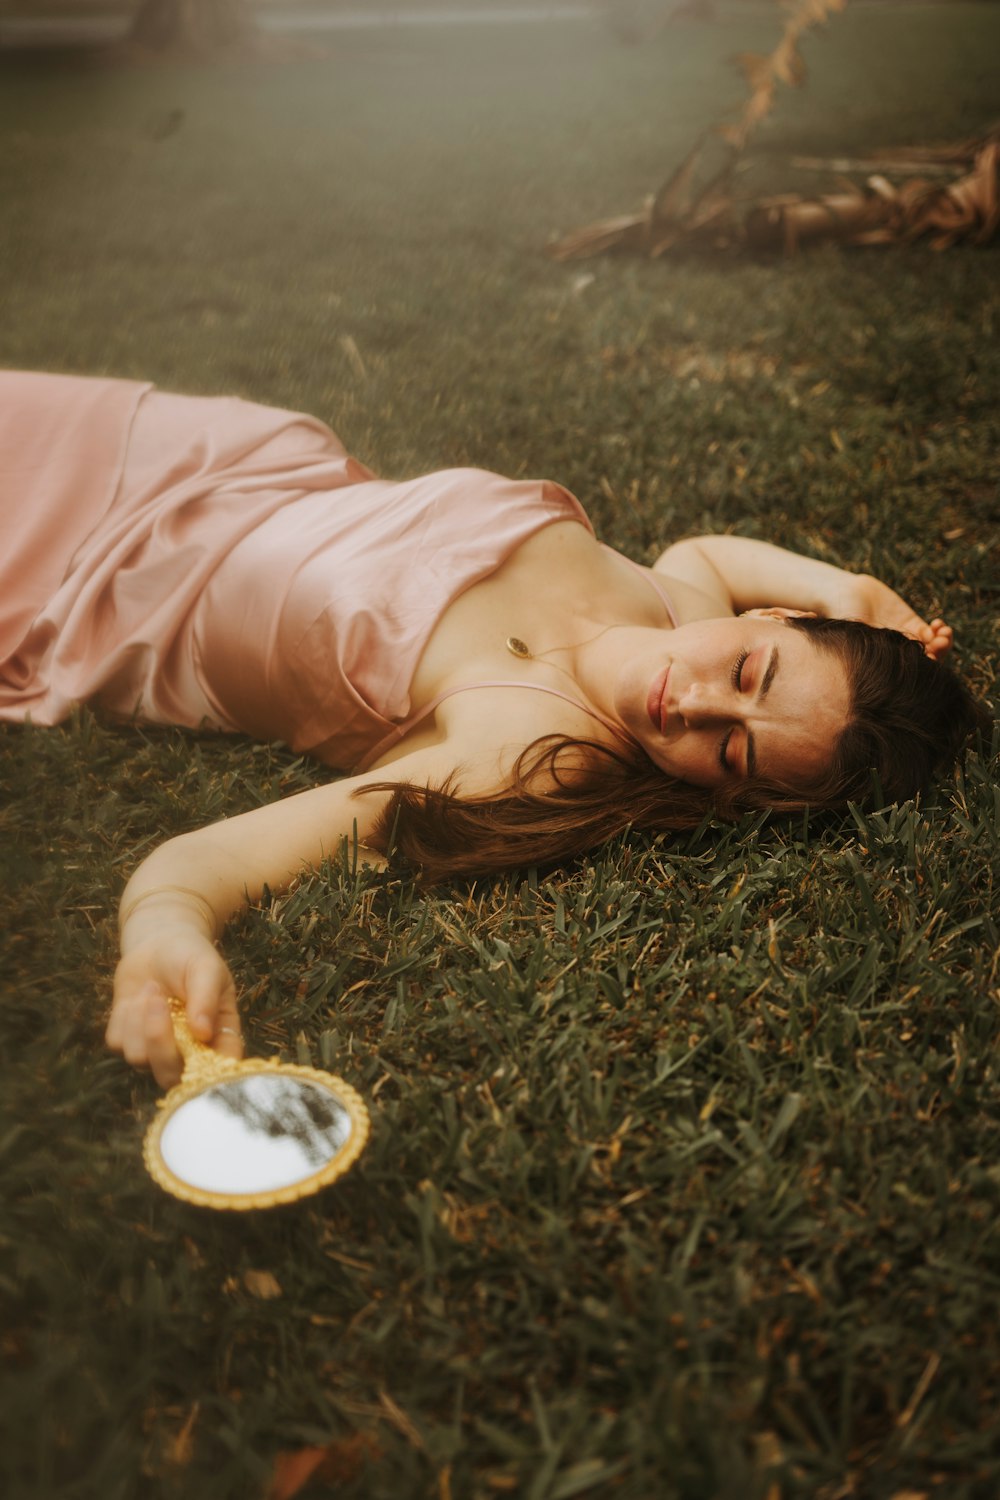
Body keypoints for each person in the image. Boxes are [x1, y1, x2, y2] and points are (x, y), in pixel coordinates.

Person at [0, 371, 984, 1086]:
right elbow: (711, 553)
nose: (694, 703)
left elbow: (204, 861)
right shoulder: (681, 603)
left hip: (97, 586)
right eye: (749, 671)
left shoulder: (528, 750)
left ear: (727, 792)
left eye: (729, 749)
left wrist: (163, 927)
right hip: (205, 454)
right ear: (764, 622)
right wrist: (841, 589)